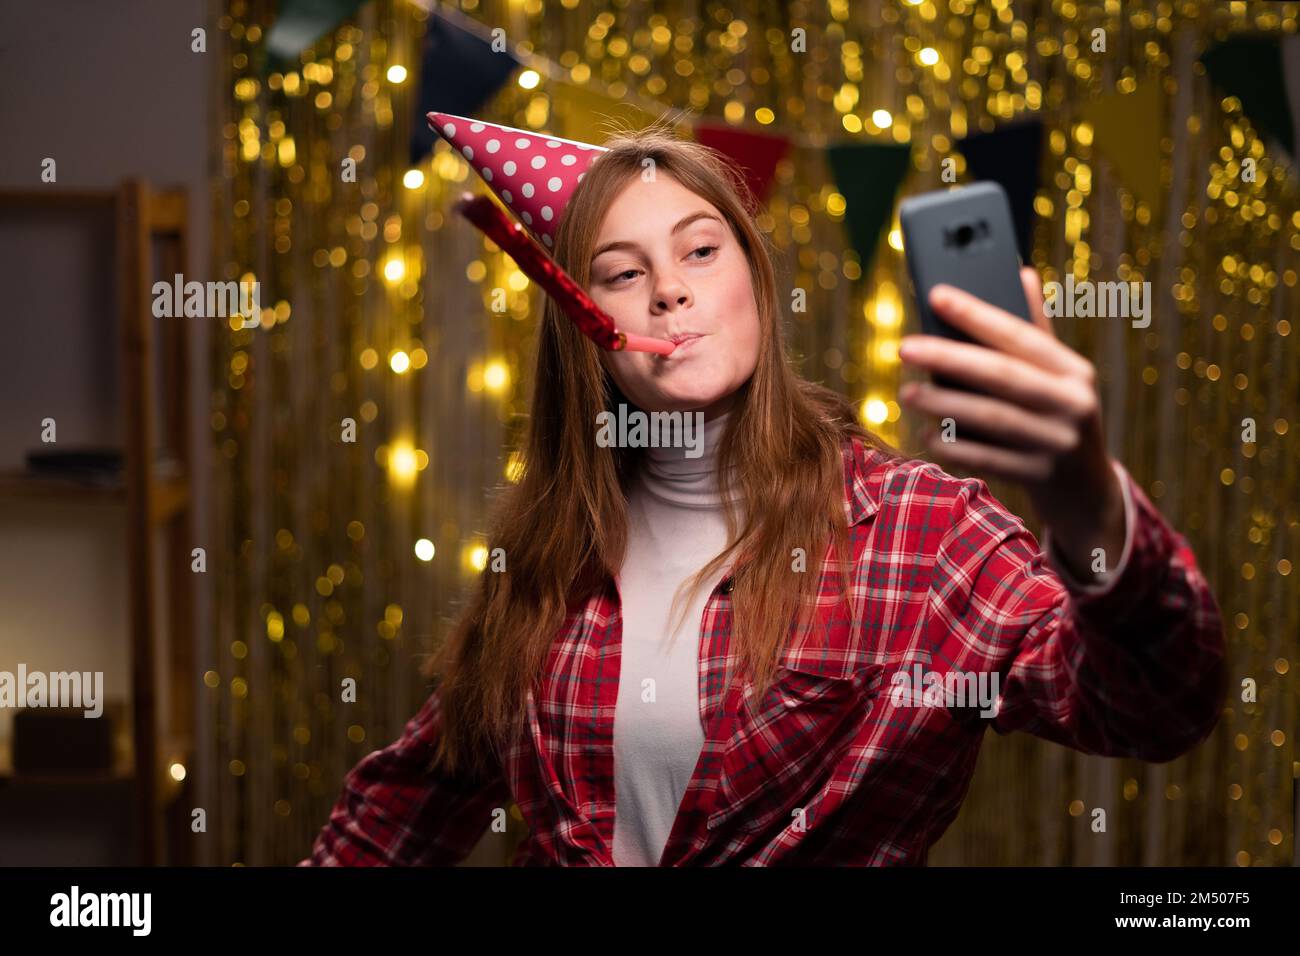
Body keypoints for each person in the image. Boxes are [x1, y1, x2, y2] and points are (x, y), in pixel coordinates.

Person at [300, 115, 1226, 867]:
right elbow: (405, 805)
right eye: (622, 274)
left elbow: (1155, 705)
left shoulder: (922, 533)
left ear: (754, 280)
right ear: (584, 326)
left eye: (701, 253)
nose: (668, 291)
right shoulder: (546, 559)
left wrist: (1089, 504)